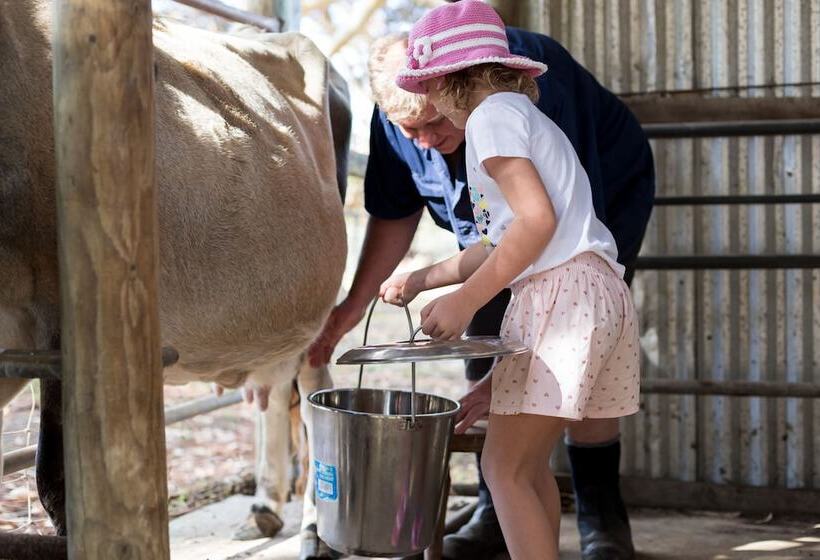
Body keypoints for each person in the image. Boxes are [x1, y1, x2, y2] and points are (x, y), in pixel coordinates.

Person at [308, 2, 655, 559]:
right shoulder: (517, 114)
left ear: (444, 83)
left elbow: (536, 225)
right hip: (589, 292)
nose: (428, 131)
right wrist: (424, 277)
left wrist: (466, 300)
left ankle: (597, 523)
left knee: (503, 466)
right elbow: (499, 240)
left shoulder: (492, 120)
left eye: (430, 105)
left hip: (556, 294)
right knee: (525, 465)